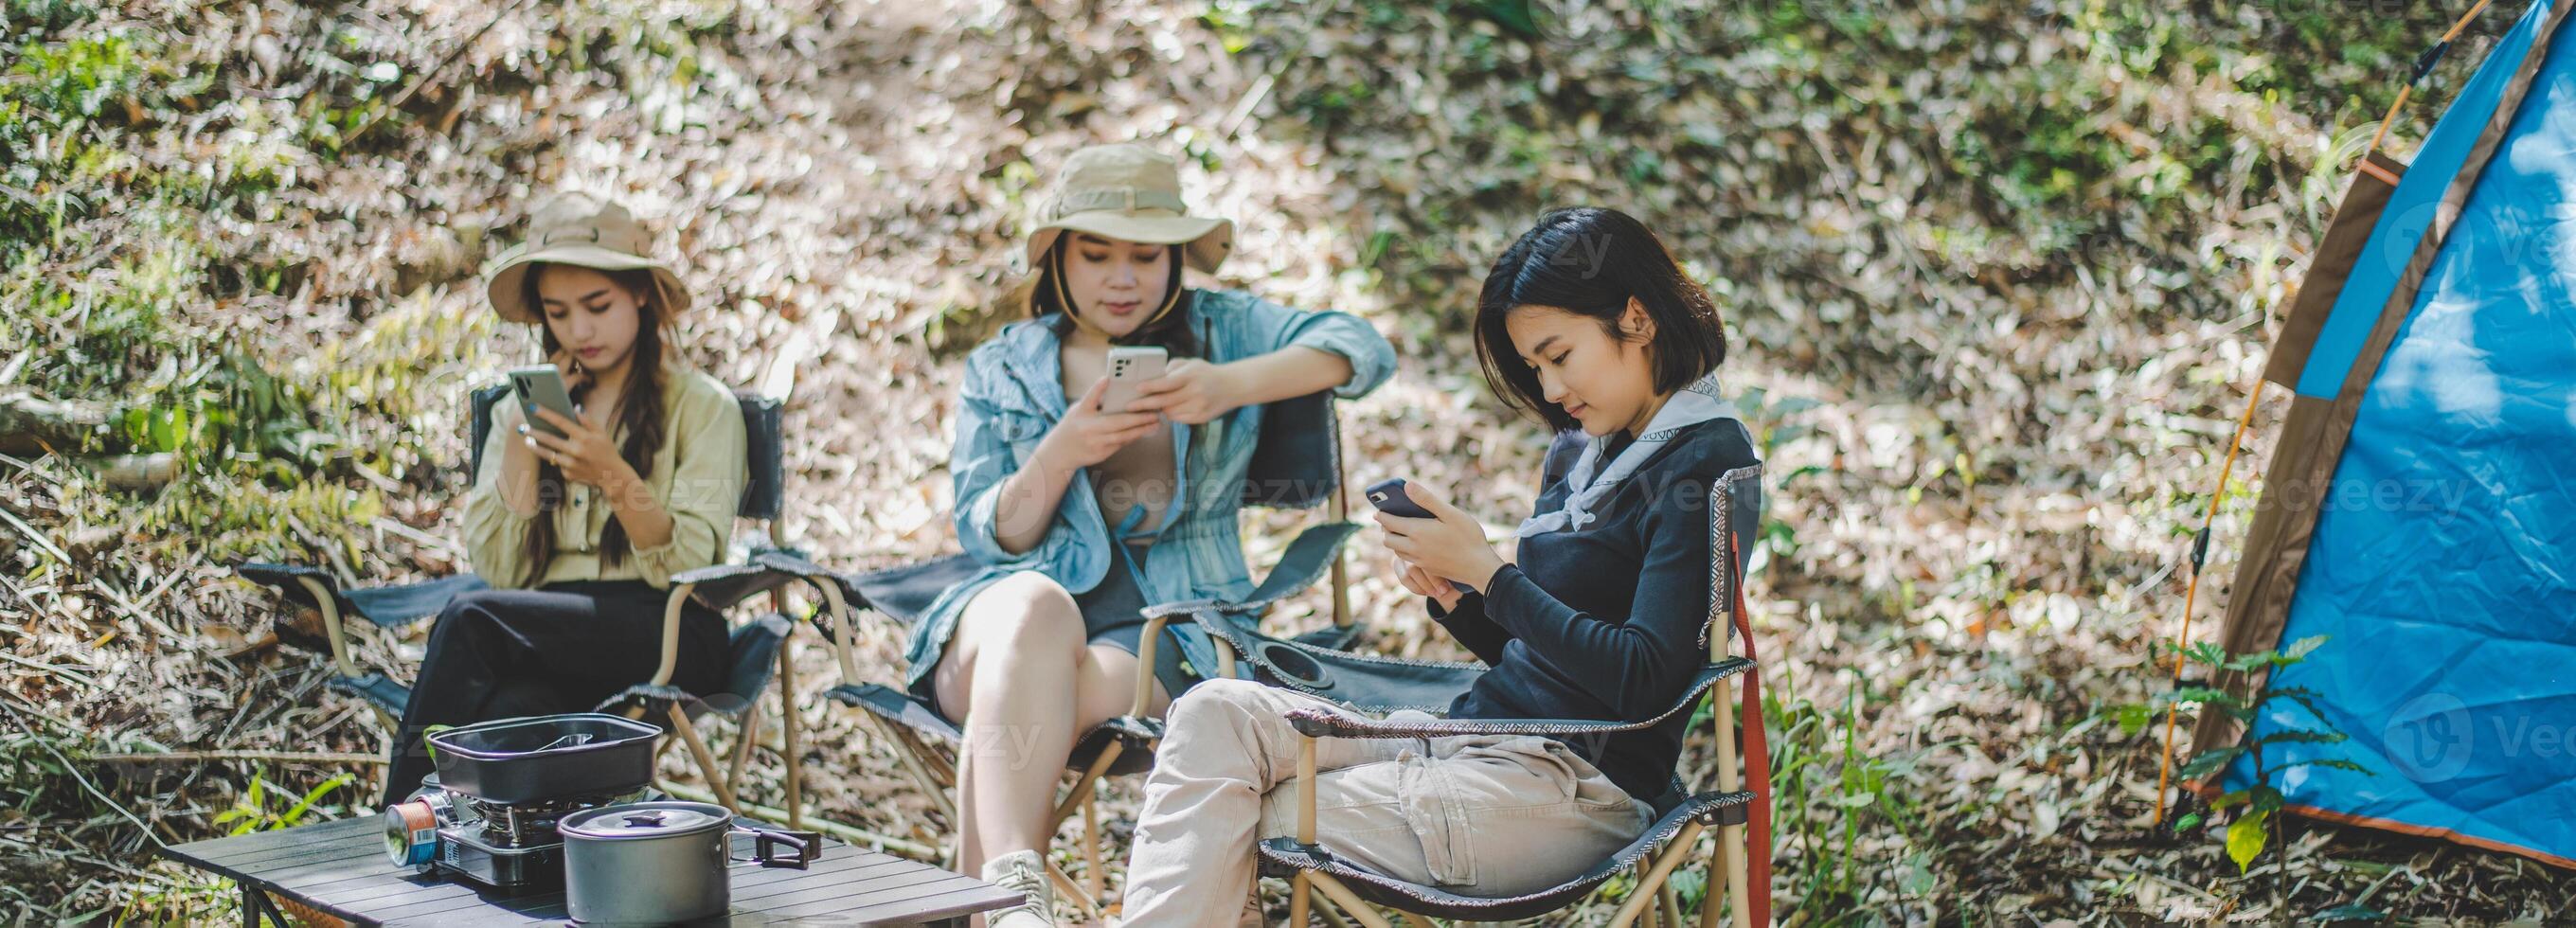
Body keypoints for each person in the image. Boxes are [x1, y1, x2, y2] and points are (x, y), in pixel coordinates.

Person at [1117, 206, 1760, 926]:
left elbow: (1644, 685)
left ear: (1636, 319)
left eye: (1558, 355)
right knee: (1215, 714)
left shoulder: (1705, 462)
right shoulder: (1582, 447)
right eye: (1534, 368)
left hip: (1575, 788)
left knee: (1241, 807)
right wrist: (1462, 597)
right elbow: (1541, 659)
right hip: (1474, 738)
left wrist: (1493, 576)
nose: (1548, 390)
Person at [913, 142, 1395, 926]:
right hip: (1009, 617)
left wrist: (1229, 385)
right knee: (1033, 604)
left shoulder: (1225, 329)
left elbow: (1365, 349)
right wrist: (1064, 448)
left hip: (1167, 623)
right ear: (1059, 259)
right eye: (1095, 253)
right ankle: (1007, 897)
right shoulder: (1006, 366)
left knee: (1023, 706)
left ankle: (1000, 901)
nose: (1122, 278)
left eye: (1146, 255)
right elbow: (989, 534)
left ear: (1177, 259)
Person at [380, 192, 746, 804]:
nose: (579, 331)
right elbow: (502, 573)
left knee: (471, 617)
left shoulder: (702, 406)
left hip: (671, 629)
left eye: (597, 306)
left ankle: (395, 819)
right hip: (549, 630)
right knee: (514, 715)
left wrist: (613, 475)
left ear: (639, 294)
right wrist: (525, 450)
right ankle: (479, 863)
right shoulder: (513, 414)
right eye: (557, 312)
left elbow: (696, 571)